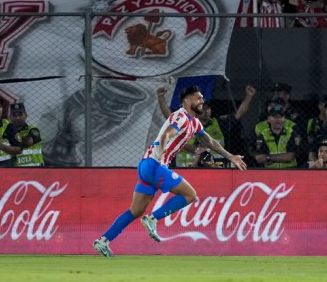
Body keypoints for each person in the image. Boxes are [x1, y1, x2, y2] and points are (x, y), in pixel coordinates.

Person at [93, 86, 246, 256]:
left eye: (202, 98)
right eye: (198, 98)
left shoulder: (194, 123)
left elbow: (210, 141)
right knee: (190, 195)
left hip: (146, 165)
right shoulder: (180, 117)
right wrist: (160, 157)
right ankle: (153, 218)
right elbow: (166, 135)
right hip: (155, 164)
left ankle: (103, 241)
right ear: (187, 100)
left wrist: (230, 156)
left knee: (135, 210)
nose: (202, 101)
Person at [252, 104, 298, 169]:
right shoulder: (263, 135)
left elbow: (290, 156)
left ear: (284, 119)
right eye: (275, 117)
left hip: (290, 170)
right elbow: (261, 158)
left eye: (280, 117)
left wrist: (268, 157)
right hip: (270, 171)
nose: (278, 119)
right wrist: (281, 158)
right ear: (268, 119)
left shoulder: (291, 133)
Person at [8, 102, 44, 167]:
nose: (17, 117)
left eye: (20, 114)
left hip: (37, 169)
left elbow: (28, 141)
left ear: (26, 115)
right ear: (10, 117)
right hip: (19, 172)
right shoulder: (8, 132)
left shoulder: (33, 129)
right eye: (14, 115)